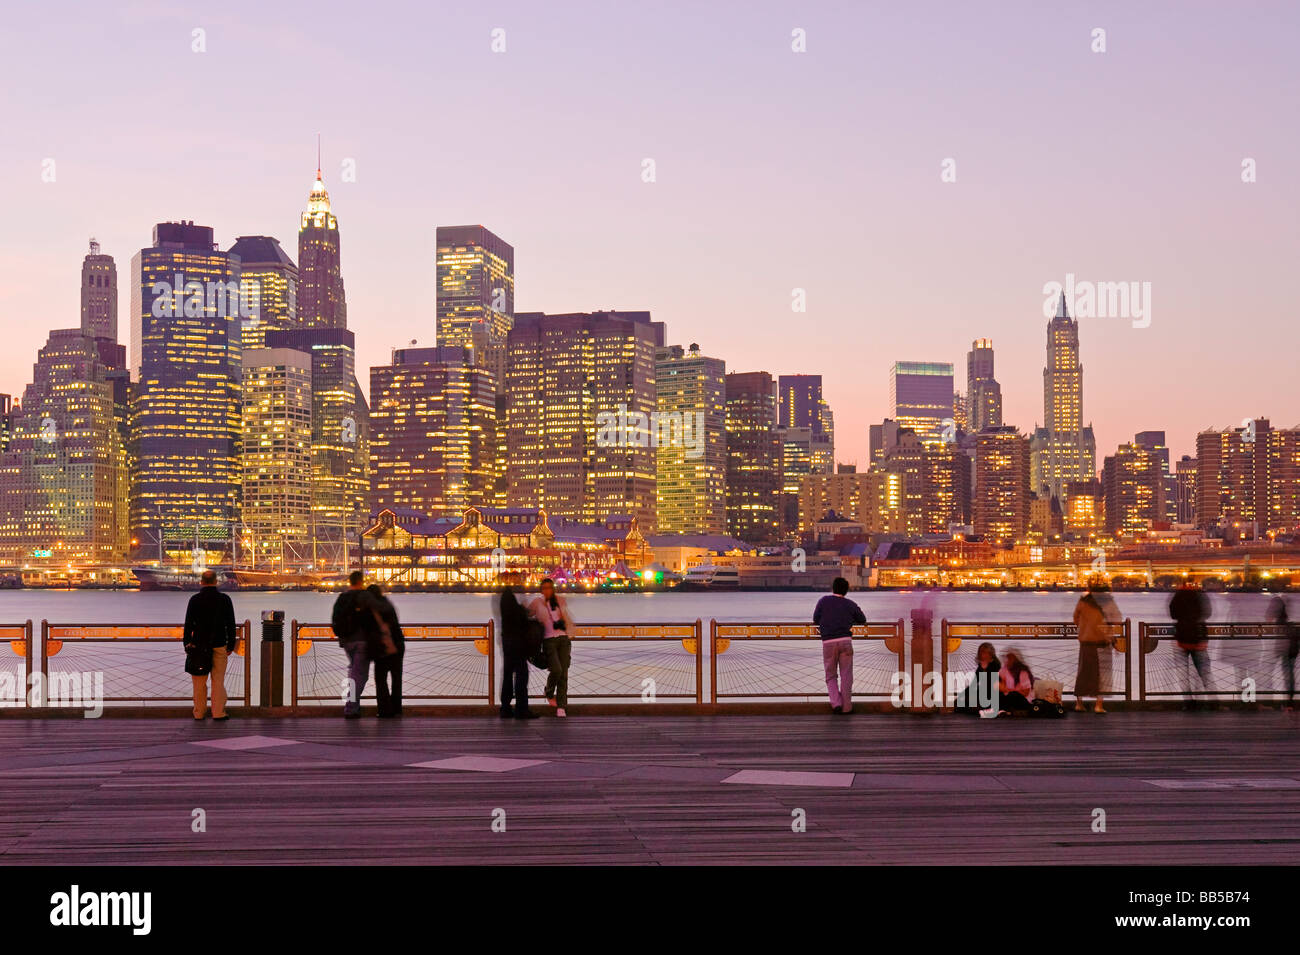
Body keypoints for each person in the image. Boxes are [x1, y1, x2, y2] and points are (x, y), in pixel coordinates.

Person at [183, 569, 238, 721]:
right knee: (218, 681)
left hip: (199, 647)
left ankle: (199, 713)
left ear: (201, 582)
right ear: (216, 581)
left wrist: (187, 644)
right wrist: (231, 645)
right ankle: (218, 712)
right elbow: (230, 624)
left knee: (199, 683)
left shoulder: (194, 599)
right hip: (220, 644)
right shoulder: (225, 599)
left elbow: (188, 624)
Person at [331, 571, 387, 719]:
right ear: (361, 581)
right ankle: (351, 708)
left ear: (350, 581)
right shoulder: (365, 596)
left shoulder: (342, 598)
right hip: (363, 640)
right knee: (360, 675)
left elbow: (335, 619)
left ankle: (352, 705)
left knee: (355, 672)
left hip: (346, 641)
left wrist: (342, 635)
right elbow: (380, 610)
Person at [812, 577, 865, 714]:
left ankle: (836, 703)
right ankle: (847, 707)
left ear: (833, 588)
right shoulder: (850, 604)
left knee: (831, 675)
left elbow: (815, 619)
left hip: (828, 642)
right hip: (845, 641)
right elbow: (862, 619)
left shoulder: (823, 601)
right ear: (846, 591)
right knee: (846, 675)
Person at [530, 578, 573, 717]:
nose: (547, 590)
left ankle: (561, 706)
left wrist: (568, 631)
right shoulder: (537, 603)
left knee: (564, 674)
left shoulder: (560, 601)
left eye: (549, 587)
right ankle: (548, 692)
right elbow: (526, 615)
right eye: (544, 588)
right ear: (541, 590)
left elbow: (567, 618)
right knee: (556, 669)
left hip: (563, 639)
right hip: (549, 641)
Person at [1072, 582, 1117, 714]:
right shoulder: (1107, 602)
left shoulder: (1083, 601)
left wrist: (1085, 627)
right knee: (1102, 674)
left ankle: (1079, 704)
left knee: (1083, 672)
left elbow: (1075, 619)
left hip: (1086, 641)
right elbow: (1115, 619)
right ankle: (1098, 705)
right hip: (1101, 641)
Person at [497, 587, 538, 719]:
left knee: (508, 675)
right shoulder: (514, 605)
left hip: (507, 643)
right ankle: (521, 709)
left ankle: (505, 707)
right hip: (519, 645)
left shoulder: (505, 602)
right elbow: (523, 621)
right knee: (521, 676)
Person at [1169, 581, 1212, 710]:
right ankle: (1209, 701)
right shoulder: (1200, 595)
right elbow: (1207, 613)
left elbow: (1173, 614)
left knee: (1183, 672)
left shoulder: (1178, 596)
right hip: (1198, 636)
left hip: (1182, 637)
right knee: (1203, 671)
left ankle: (1189, 702)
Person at [367, 584, 405, 718]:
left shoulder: (372, 608)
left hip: (383, 645)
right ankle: (397, 709)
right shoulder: (387, 604)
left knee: (381, 678)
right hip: (398, 643)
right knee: (396, 678)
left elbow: (371, 628)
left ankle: (384, 709)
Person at [1267, 594, 1299, 712]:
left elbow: (1269, 620)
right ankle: (1288, 703)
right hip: (1292, 645)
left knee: (1275, 672)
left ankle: (1273, 701)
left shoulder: (1278, 603)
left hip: (1285, 645)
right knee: (1289, 674)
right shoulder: (1288, 603)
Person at [954, 642, 1000, 714]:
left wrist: (984, 668)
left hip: (991, 693)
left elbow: (991, 682)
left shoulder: (995, 665)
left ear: (990, 654)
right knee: (959, 701)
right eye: (981, 653)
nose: (982, 655)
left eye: (984, 653)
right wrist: (965, 693)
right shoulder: (980, 666)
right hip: (981, 691)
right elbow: (975, 682)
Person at [998, 649, 1035, 715]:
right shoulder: (1004, 669)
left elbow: (1025, 693)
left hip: (1023, 700)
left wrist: (1009, 690)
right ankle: (1003, 710)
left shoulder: (1023, 672)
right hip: (1009, 697)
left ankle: (1005, 709)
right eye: (1007, 659)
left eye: (1010, 659)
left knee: (1014, 695)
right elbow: (1000, 686)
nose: (1007, 661)